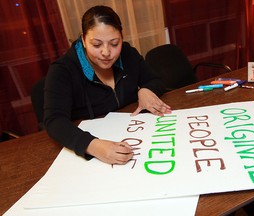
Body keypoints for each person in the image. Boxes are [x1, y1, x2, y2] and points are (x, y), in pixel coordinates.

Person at [44, 5, 171, 165]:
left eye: (114, 43)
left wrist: (146, 90)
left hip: (135, 135)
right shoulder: (63, 70)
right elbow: (54, 121)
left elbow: (155, 80)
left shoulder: (127, 53)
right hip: (90, 149)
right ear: (83, 39)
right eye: (96, 45)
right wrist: (93, 146)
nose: (106, 52)